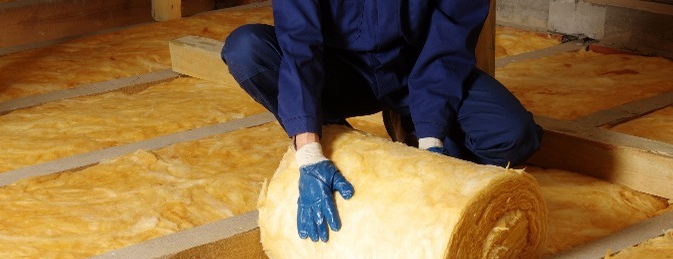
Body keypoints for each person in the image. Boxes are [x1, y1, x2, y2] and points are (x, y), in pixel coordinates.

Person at [221, 1, 543, 243]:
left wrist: (432, 139)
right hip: (336, 70)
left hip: (413, 71)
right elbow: (299, 43)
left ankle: (412, 125)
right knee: (247, 49)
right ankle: (338, 139)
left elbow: (447, 47)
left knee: (514, 135)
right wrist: (308, 152)